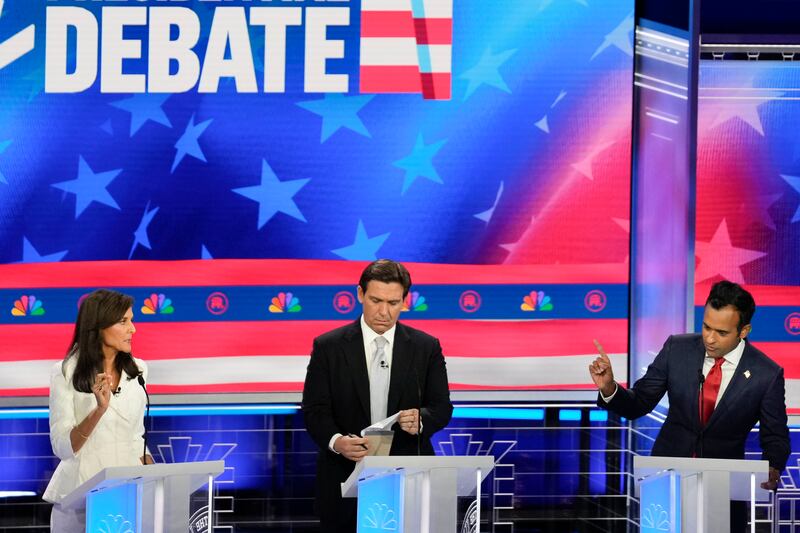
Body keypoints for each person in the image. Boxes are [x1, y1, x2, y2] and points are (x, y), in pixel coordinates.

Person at [590, 280, 790, 532]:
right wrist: (609, 387)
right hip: (666, 479)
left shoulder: (766, 373)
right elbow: (639, 403)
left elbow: (776, 436)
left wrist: (772, 466)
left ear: (744, 330)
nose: (710, 338)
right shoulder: (677, 349)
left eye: (721, 332)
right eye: (706, 326)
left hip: (725, 487)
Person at [302, 259, 453, 532]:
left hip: (409, 478)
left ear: (405, 301)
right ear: (360, 294)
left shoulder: (425, 347)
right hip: (343, 479)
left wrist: (421, 420)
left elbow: (441, 407)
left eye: (394, 303)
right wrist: (337, 442)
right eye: (376, 300)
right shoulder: (329, 347)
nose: (384, 312)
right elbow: (314, 410)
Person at [43, 289, 152, 531]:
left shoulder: (139, 370)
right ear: (98, 326)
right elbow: (62, 447)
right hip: (79, 496)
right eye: (123, 321)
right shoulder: (65, 372)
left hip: (127, 495)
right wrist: (99, 410)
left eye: (131, 320)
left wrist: (158, 480)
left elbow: (136, 438)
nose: (133, 329)